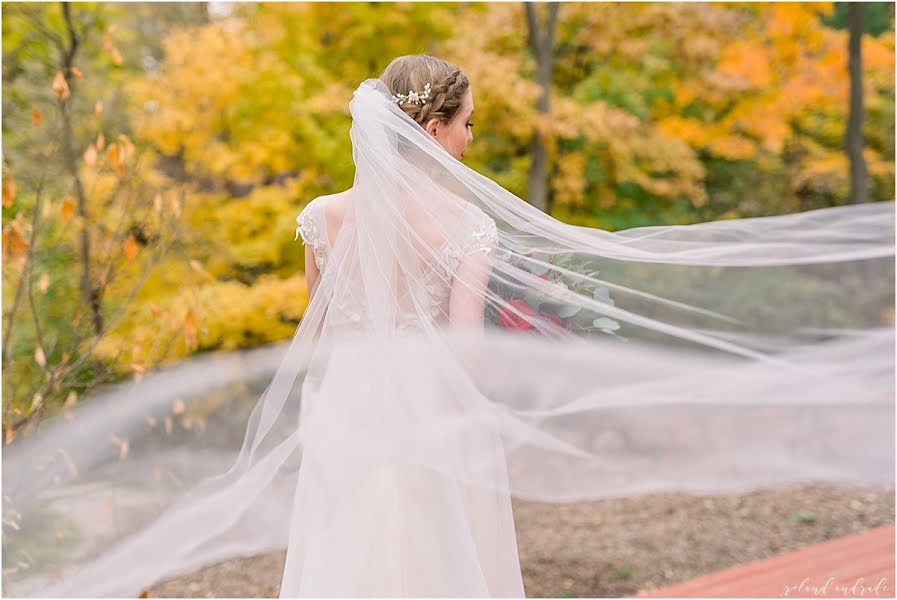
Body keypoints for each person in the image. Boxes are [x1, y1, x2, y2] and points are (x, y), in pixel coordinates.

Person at [3, 54, 893, 598]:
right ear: (431, 125)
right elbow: (463, 346)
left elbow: (317, 330)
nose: (471, 142)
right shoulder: (468, 226)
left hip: (347, 400)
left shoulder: (321, 214)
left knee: (349, 545)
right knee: (434, 551)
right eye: (465, 125)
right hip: (427, 402)